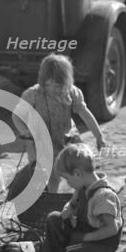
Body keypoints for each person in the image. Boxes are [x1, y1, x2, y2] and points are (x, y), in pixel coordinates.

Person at [12, 53, 106, 193]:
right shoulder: (32, 94)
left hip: (66, 138)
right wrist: (24, 131)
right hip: (40, 142)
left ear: (66, 82)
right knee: (51, 175)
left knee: (81, 163)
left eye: (57, 85)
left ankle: (83, 195)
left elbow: (85, 114)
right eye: (48, 85)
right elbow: (17, 116)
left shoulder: (72, 93)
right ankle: (52, 198)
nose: (52, 89)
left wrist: (99, 136)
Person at [41, 143, 122, 252]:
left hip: (101, 243)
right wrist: (68, 210)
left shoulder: (104, 197)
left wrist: (84, 238)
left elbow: (112, 229)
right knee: (54, 218)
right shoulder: (82, 188)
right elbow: (72, 204)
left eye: (66, 178)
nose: (67, 183)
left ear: (77, 174)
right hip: (82, 235)